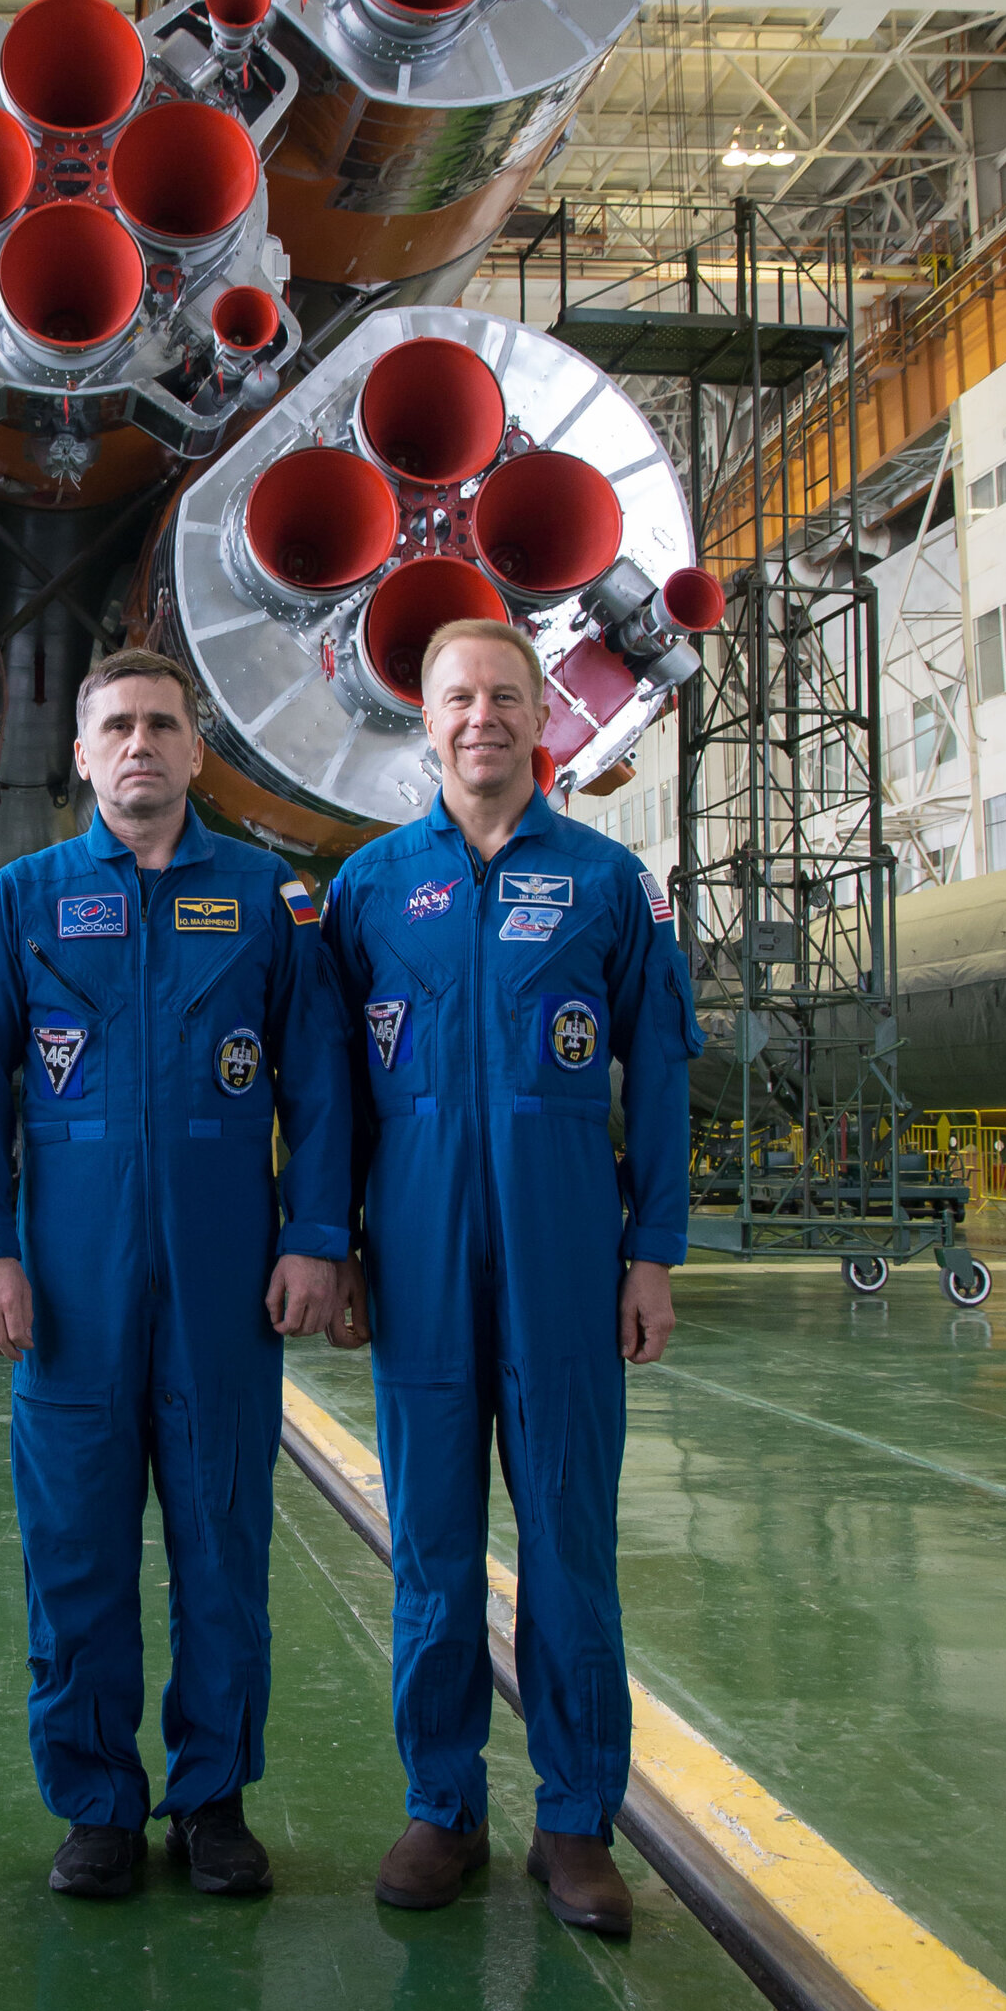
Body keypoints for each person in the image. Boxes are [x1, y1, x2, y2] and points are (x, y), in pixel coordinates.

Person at [0, 647, 356, 1901]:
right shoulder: (19, 904)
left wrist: (314, 1236)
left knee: (223, 1540)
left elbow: (321, 1085)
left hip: (227, 1277)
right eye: (115, 726)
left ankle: (213, 1801)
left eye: (162, 726)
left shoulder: (270, 903)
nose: (139, 746)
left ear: (195, 750)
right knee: (74, 1550)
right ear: (80, 755)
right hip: (70, 1284)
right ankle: (97, 1805)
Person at [322, 619, 702, 1935]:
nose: (481, 717)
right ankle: (442, 1809)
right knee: (431, 1548)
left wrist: (652, 1250)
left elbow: (656, 1073)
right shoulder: (368, 892)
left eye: (503, 696)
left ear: (539, 714)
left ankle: (575, 1822)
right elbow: (330, 1101)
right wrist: (339, 1243)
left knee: (570, 1550)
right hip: (419, 1261)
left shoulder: (608, 883)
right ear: (421, 723)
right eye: (456, 698)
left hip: (561, 1258)